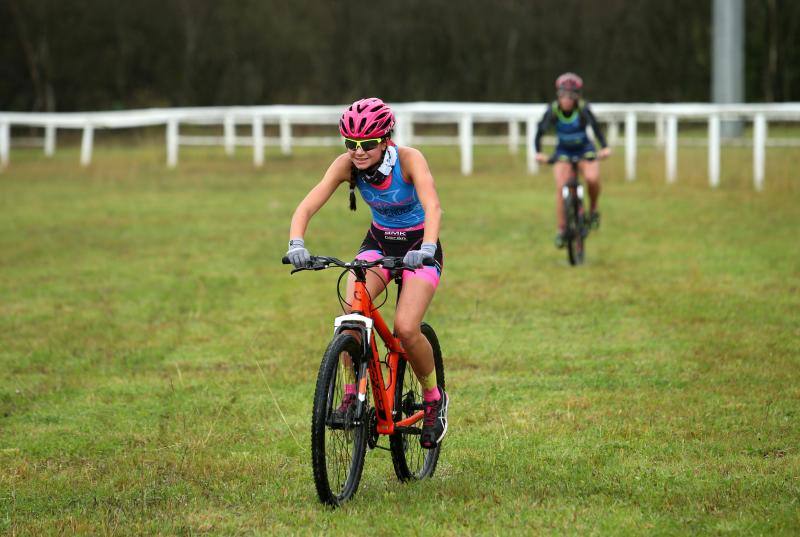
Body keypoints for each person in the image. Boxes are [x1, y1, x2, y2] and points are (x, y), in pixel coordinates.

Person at [285, 97, 448, 449]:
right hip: (378, 242)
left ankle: (434, 398)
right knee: (351, 315)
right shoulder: (347, 165)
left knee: (406, 327)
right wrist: (297, 242)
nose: (358, 152)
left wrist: (429, 247)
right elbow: (308, 203)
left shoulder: (409, 159)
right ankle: (349, 394)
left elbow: (433, 205)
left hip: (420, 245)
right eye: (351, 143)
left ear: (386, 139)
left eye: (367, 143)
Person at [534, 73, 611, 248]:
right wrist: (538, 153)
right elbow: (539, 132)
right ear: (558, 95)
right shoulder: (553, 111)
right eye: (563, 95)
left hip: (585, 149)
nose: (567, 99)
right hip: (563, 151)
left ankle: (592, 209)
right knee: (561, 187)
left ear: (577, 96)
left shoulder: (583, 109)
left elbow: (596, 129)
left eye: (571, 95)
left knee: (592, 178)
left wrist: (604, 148)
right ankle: (561, 229)